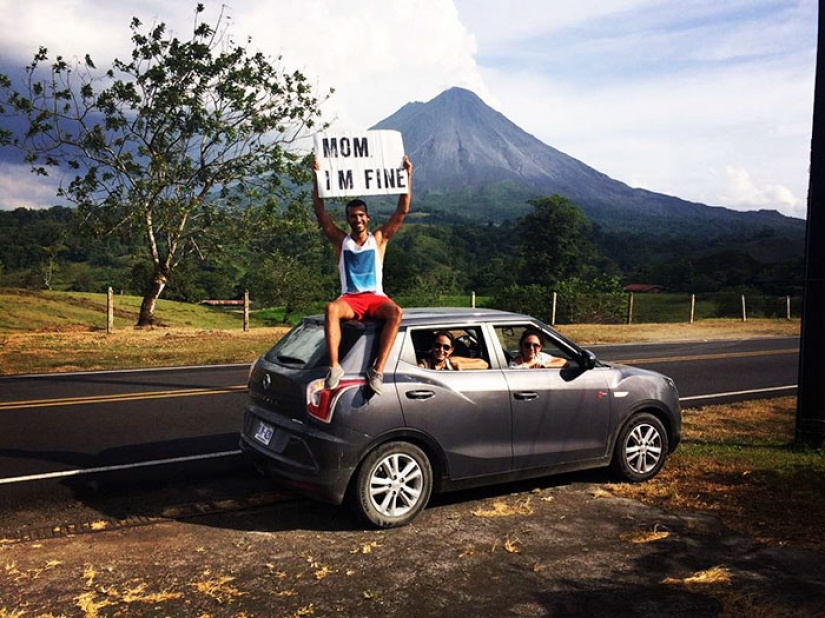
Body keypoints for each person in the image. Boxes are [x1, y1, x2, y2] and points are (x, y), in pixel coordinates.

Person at [312, 154, 413, 395]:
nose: (357, 219)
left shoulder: (378, 239)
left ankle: (377, 370)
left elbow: (402, 211)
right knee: (331, 309)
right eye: (352, 216)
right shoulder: (341, 241)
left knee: (396, 312)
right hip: (350, 299)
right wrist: (315, 176)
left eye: (361, 215)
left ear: (367, 217)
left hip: (375, 298)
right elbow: (320, 213)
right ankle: (335, 367)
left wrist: (407, 176)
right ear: (347, 219)